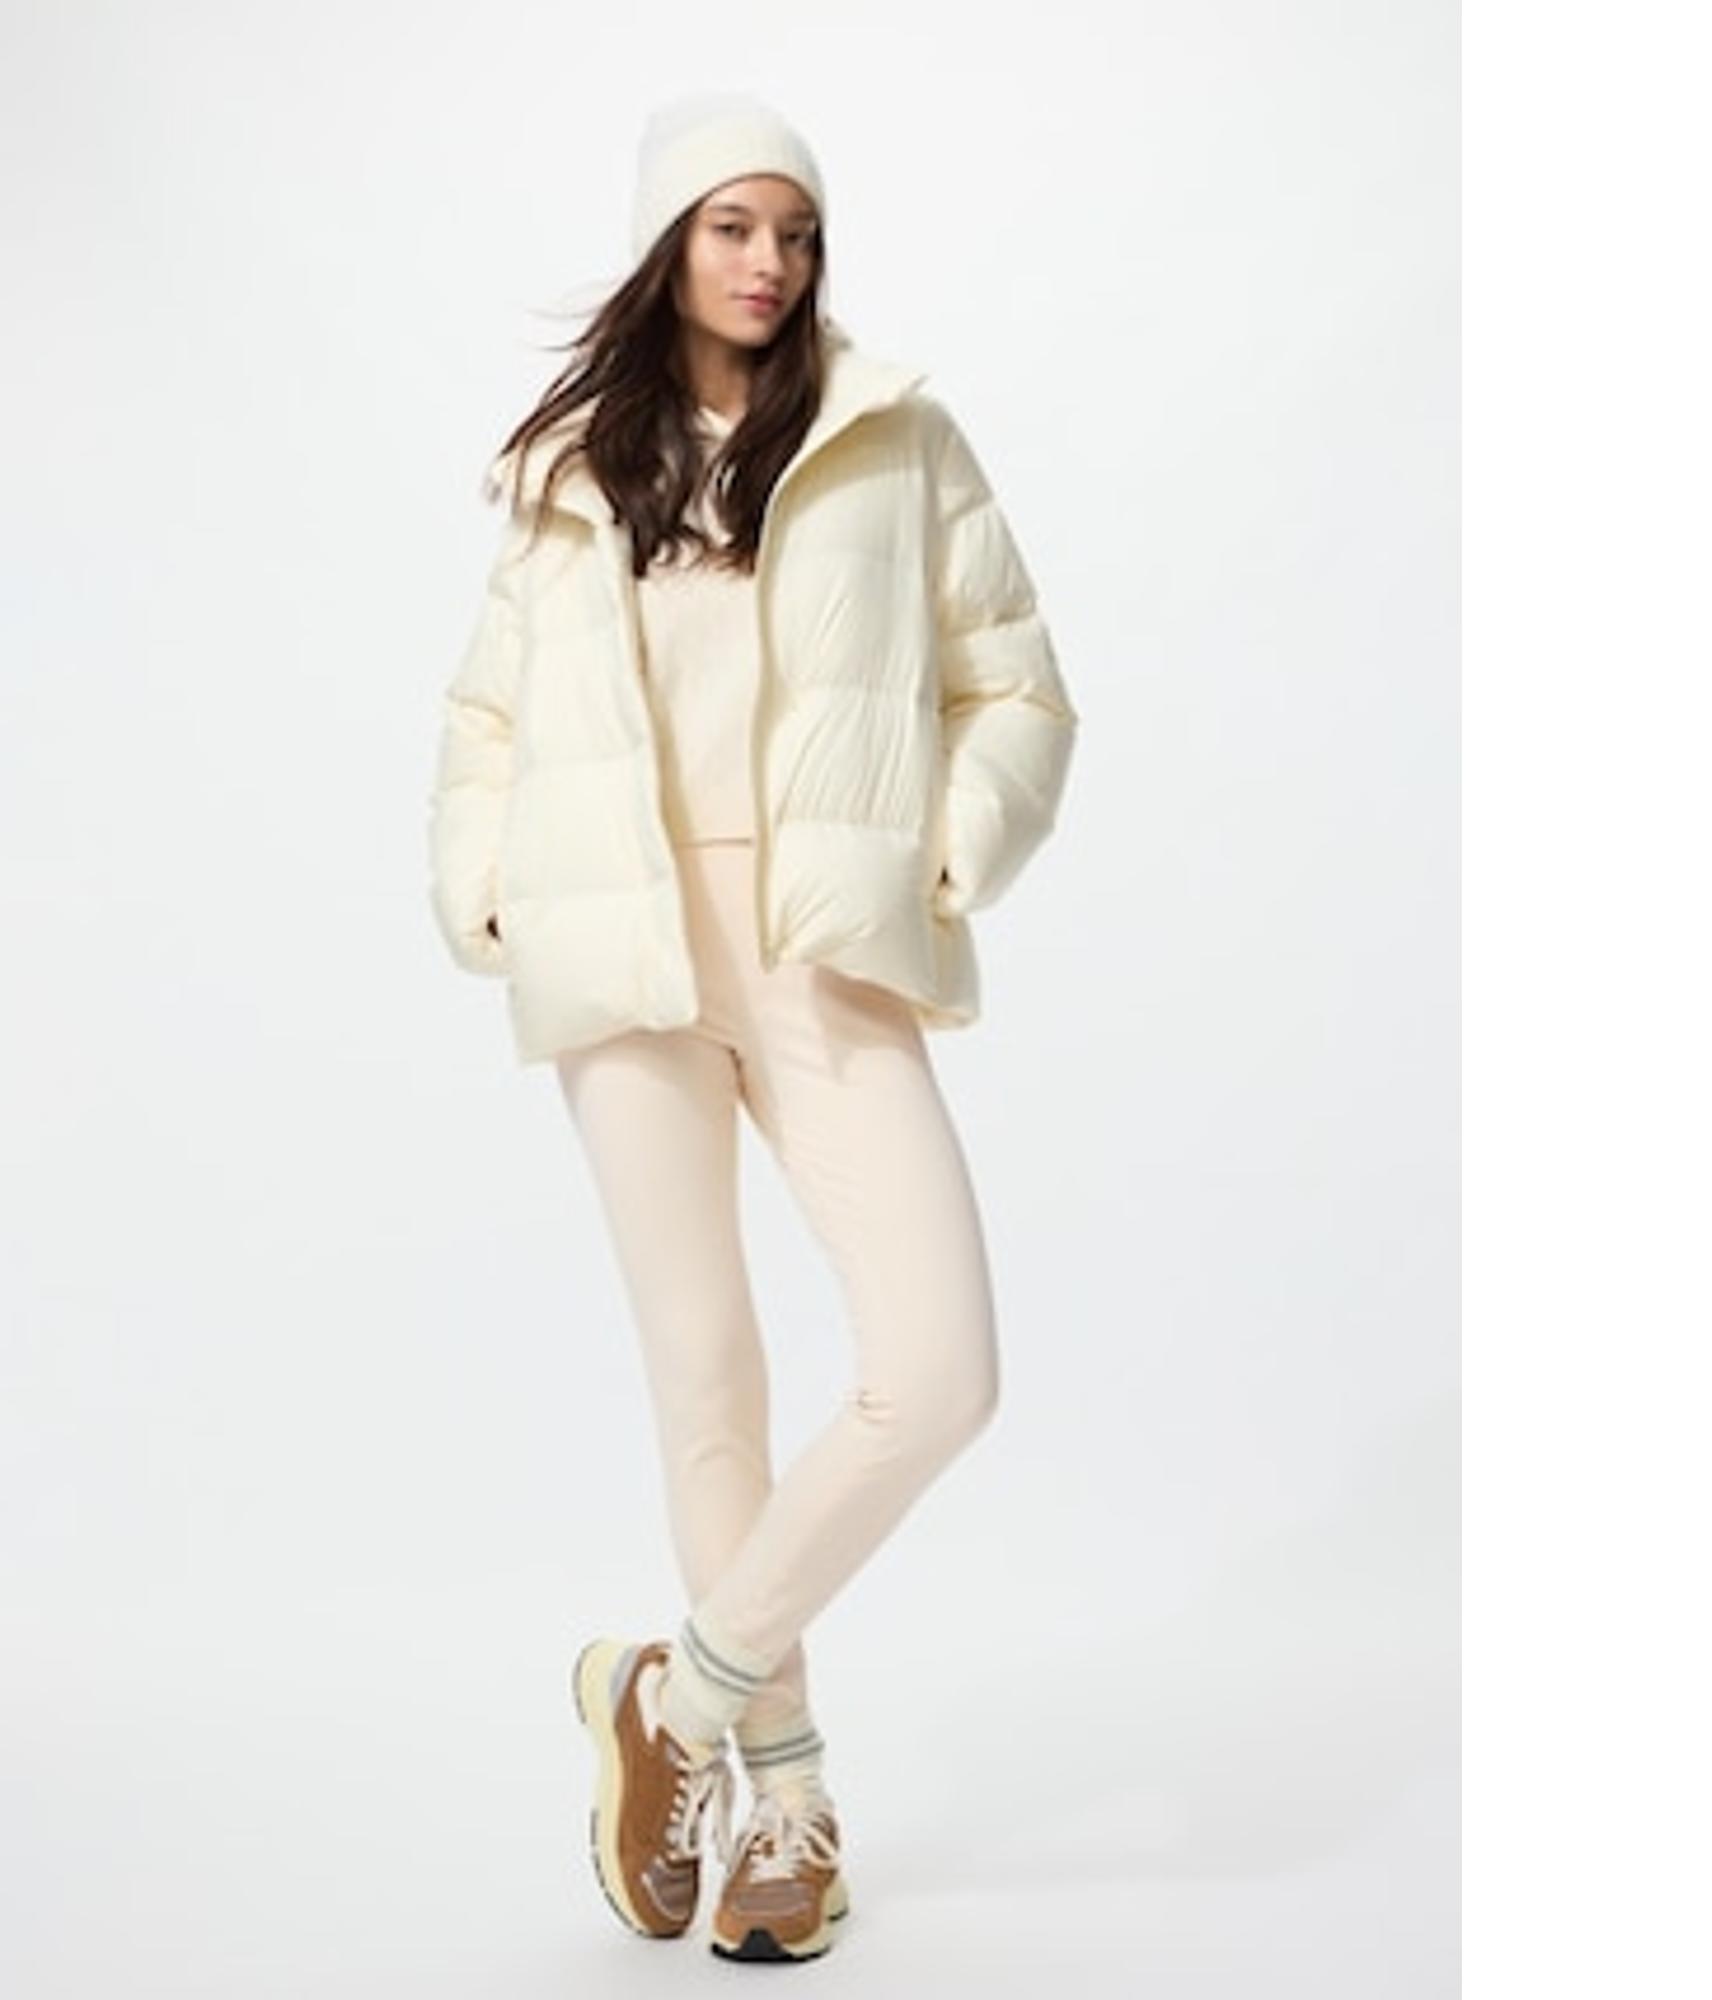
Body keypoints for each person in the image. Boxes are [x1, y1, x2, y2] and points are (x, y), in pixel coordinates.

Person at [426, 90, 1079, 1963]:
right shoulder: (573, 466)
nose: (768, 261)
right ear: (669, 242)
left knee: (936, 1370)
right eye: (731, 225)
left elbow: (1018, 687)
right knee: (707, 1374)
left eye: (793, 230)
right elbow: (487, 713)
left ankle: (677, 1700)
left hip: (819, 947)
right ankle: (785, 1809)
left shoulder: (891, 434)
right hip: (620, 944)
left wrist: (943, 859)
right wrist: (484, 886)